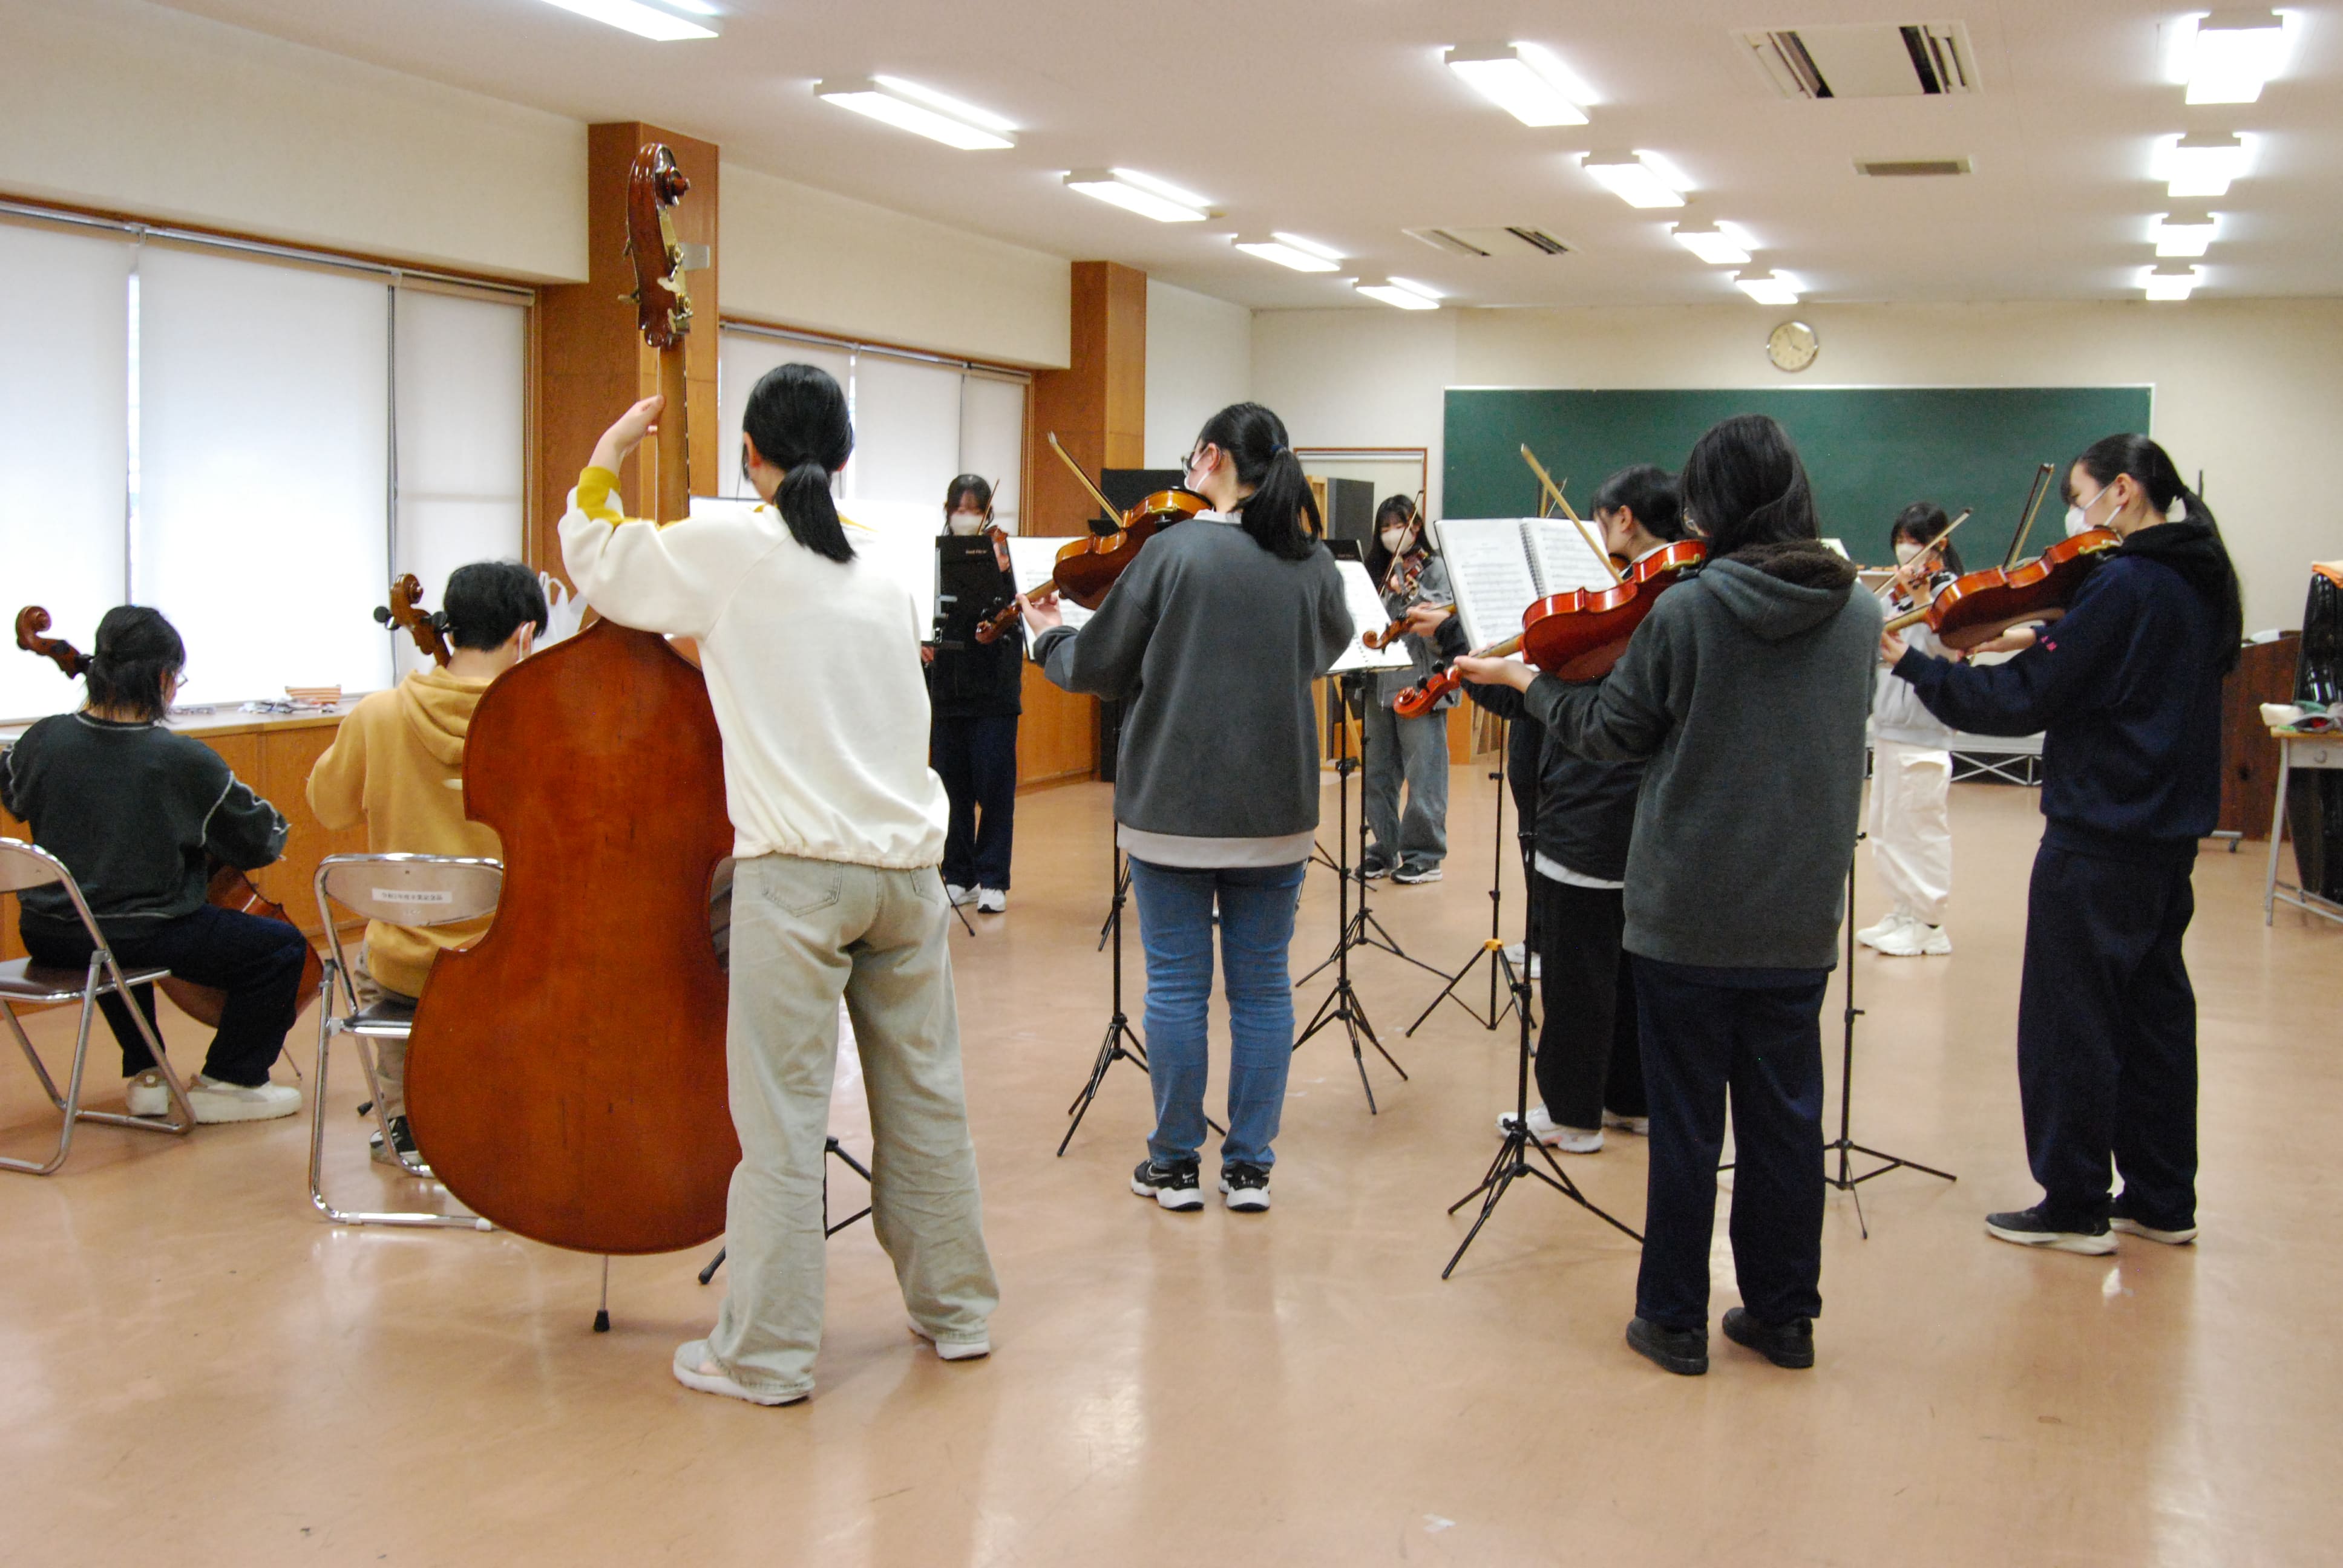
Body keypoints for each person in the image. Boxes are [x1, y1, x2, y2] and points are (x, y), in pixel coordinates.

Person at [562, 365, 998, 1406]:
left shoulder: (725, 551)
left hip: (796, 878)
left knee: (782, 1121)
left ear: (749, 455)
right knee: (927, 1102)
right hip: (907, 877)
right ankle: (960, 1312)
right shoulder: (887, 570)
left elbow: (598, 562)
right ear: (843, 460)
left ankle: (765, 1353)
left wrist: (608, 452)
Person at [1455, 416, 1878, 1377]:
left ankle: (1675, 1320)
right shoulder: (1859, 616)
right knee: (1786, 1123)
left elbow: (1610, 730)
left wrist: (1530, 681)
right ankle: (1784, 1317)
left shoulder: (1685, 612)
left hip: (1687, 907)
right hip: (1801, 910)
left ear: (1714, 506)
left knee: (1688, 1123)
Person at [1883, 434, 2240, 1256]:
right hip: (2165, 836)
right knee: (2153, 1020)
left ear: (2122, 492)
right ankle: (2161, 1197)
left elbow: (2022, 699)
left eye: (2078, 496)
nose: (2074, 514)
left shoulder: (2123, 583)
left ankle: (2075, 1203)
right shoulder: (2196, 580)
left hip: (2098, 835)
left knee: (2069, 1021)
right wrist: (2046, 619)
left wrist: (1915, 664)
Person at [1022, 401, 1351, 1214]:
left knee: (1175, 987)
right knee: (1265, 988)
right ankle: (1249, 1169)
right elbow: (1328, 644)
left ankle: (1174, 1167)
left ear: (1210, 458)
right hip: (1276, 809)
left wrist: (1048, 637)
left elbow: (1099, 664)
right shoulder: (1310, 563)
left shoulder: (1172, 554)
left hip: (1171, 803)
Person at [1435, 464, 1683, 1154]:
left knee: (1576, 974)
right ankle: (1632, 1102)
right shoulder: (1685, 602)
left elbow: (1556, 707)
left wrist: (1510, 670)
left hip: (1587, 815)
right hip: (1653, 822)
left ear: (1623, 519)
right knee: (1634, 968)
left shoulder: (1632, 609)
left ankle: (1573, 1115)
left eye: (1602, 521)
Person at [1, 607, 307, 1123]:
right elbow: (262, 840)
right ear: (163, 679)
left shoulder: (42, 740)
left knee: (105, 932)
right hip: (139, 933)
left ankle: (146, 1073)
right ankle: (231, 1079)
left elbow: (14, 793)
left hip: (50, 930)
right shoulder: (179, 759)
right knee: (281, 949)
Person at [306, 561, 548, 1170]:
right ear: (524, 635)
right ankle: (511, 1100)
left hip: (405, 967)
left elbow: (326, 807)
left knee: (375, 949)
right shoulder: (543, 722)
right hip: (508, 967)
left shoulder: (379, 715)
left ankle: (405, 1116)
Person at [1858, 503, 1964, 958]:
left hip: (1924, 730)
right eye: (1902, 539)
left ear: (1939, 546)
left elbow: (1952, 648)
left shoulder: (1951, 594)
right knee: (1887, 828)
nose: (1907, 549)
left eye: (1916, 541)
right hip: (1889, 726)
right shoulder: (1897, 592)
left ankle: (1929, 922)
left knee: (1919, 829)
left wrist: (1923, 601)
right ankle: (1903, 909)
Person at [927, 475, 1022, 914]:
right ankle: (959, 873)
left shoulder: (1002, 553)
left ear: (986, 511)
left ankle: (993, 879)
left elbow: (1016, 614)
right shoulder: (930, 555)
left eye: (973, 509)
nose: (964, 516)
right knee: (951, 786)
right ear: (948, 509)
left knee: (994, 784)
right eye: (957, 508)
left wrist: (998, 618)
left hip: (994, 686)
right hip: (947, 683)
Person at [1361, 494, 1452, 884]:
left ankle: (1425, 854)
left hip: (1421, 683)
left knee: (1424, 772)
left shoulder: (1435, 570)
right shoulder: (1378, 572)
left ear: (1416, 528)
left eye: (1397, 526)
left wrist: (1411, 596)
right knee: (1377, 771)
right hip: (1380, 682)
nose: (1390, 534)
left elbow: (1446, 634)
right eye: (1383, 528)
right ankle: (1384, 848)